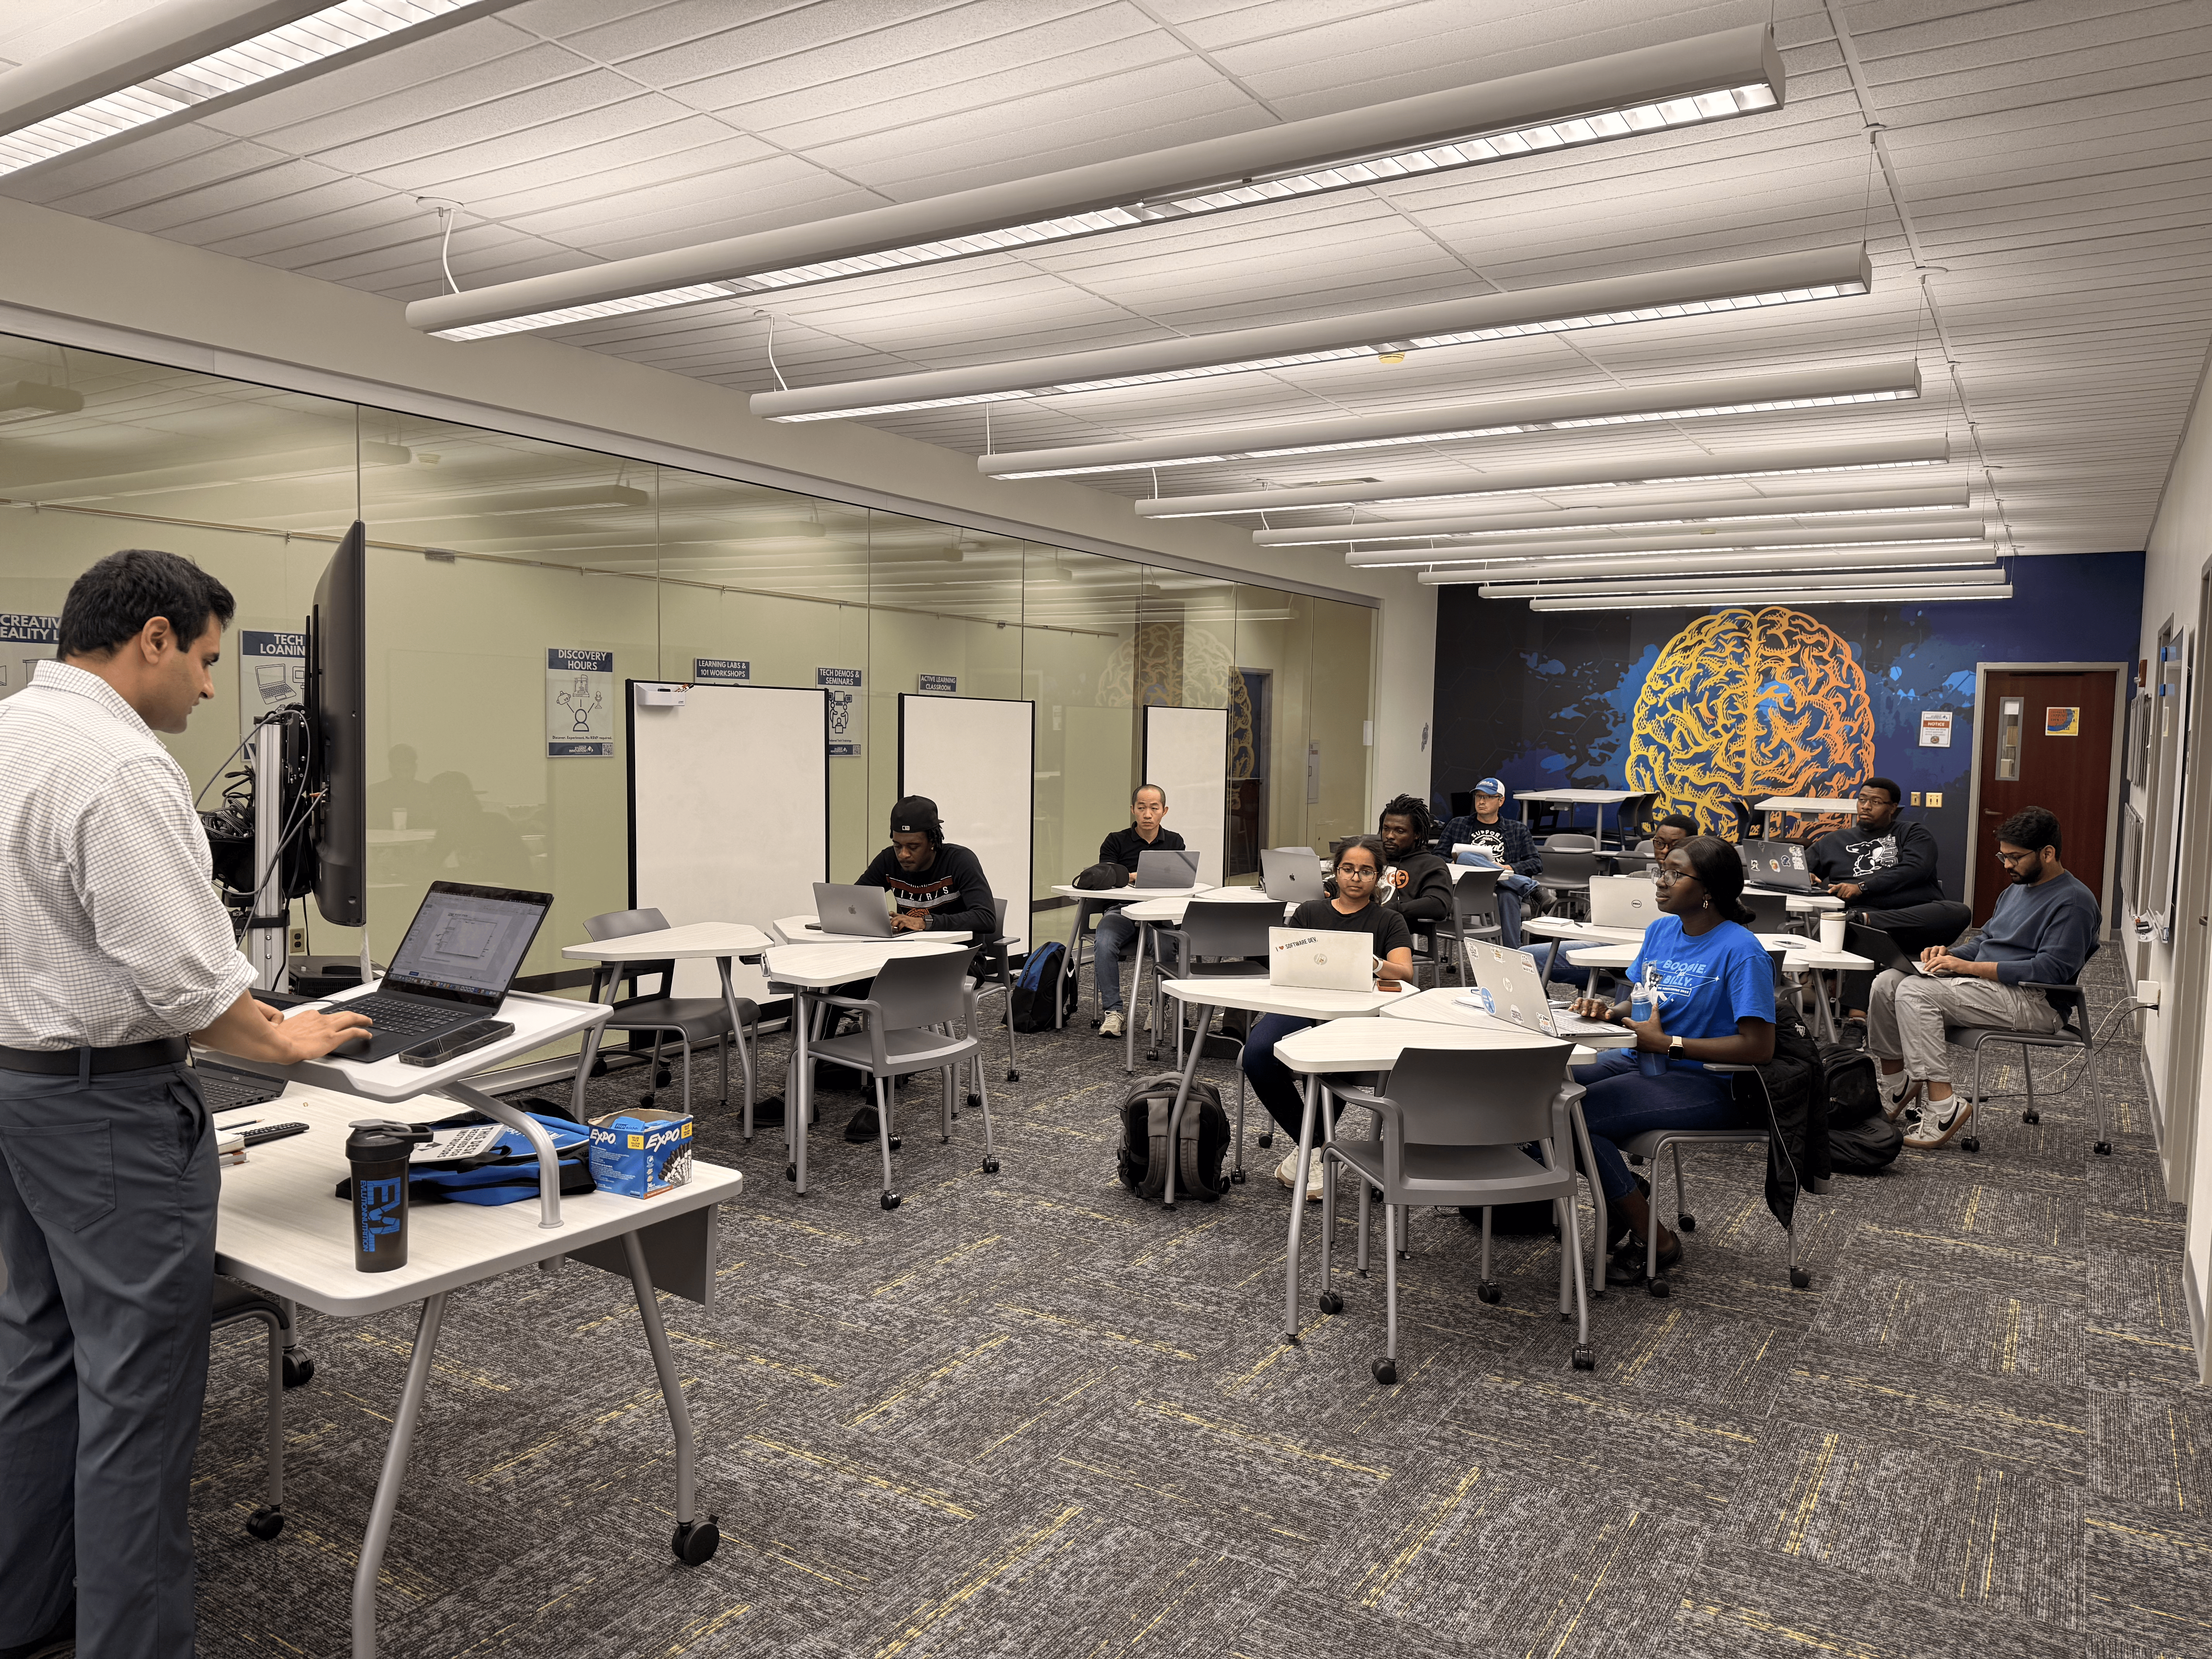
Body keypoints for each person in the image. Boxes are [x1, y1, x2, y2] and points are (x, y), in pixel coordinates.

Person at [0, 550, 371, 1659]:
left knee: (38, 1355)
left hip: (18, 1089)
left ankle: (24, 1616)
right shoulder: (118, 766)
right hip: (108, 1108)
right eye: (206, 660)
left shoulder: (11, 731)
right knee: (138, 1400)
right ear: (152, 638)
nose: (211, 688)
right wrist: (281, 1034)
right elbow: (188, 983)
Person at [1566, 836, 1777, 1285]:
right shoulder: (1662, 931)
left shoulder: (1742, 951)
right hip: (1641, 1060)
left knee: (1573, 1115)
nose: (1660, 883)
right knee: (1536, 1093)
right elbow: (1641, 1002)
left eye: (1674, 874)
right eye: (1661, 872)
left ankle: (1655, 1237)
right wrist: (1609, 1011)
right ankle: (1626, 1192)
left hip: (1711, 1082)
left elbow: (1760, 1048)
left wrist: (1670, 1045)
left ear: (1709, 891)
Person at [1870, 805, 2101, 1150]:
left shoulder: (2074, 903)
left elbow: (2051, 971)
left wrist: (1968, 968)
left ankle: (1943, 1107)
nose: (2007, 865)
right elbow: (1985, 942)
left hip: (2035, 1001)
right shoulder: (2016, 890)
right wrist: (1949, 956)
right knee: (1887, 982)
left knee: (1916, 993)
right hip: (1992, 988)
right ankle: (1896, 1086)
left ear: (2048, 853)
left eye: (2015, 857)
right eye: (2002, 856)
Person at [1240, 836, 1415, 1197]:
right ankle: (1319, 1146)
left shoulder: (1388, 920)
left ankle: (1313, 1155)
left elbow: (1406, 972)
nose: (1355, 877)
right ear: (1336, 872)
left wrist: (1376, 964)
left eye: (1366, 871)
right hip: (1302, 1006)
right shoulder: (1309, 912)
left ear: (1378, 877)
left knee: (1333, 1063)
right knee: (1256, 1054)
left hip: (1355, 1017)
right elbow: (1285, 961)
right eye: (1348, 869)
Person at [835, 796, 997, 1142]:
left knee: (892, 993)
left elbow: (986, 917)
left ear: (933, 841)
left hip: (955, 966)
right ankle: (801, 1089)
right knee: (828, 991)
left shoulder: (960, 861)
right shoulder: (888, 861)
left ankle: (881, 1104)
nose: (904, 855)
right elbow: (857, 904)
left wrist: (926, 922)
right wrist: (880, 920)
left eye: (913, 846)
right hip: (903, 962)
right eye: (898, 846)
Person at [1807, 778, 1969, 956]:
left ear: (1893, 808)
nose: (1866, 807)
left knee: (1959, 912)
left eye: (1875, 802)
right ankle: (1863, 924)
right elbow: (1801, 867)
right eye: (1862, 800)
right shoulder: (1835, 841)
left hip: (1915, 916)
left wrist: (1863, 888)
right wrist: (1806, 876)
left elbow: (1916, 869)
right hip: (1862, 912)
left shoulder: (1913, 833)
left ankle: (1866, 921)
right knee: (1858, 931)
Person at [1092, 783, 1183, 1039]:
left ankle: (1158, 1007)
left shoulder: (1175, 841)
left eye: (1154, 808)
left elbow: (1180, 880)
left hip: (1159, 912)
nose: (1147, 814)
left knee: (1167, 946)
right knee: (1104, 941)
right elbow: (1105, 877)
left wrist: (1132, 877)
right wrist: (1135, 876)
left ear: (1164, 811)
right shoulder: (1115, 840)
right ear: (1133, 810)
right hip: (1122, 910)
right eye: (1142, 808)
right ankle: (1114, 1012)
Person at [1437, 777, 1543, 946]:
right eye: (1479, 797)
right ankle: (1529, 887)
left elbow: (1536, 863)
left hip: (1504, 886)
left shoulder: (1517, 830)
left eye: (1488, 797)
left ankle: (1513, 957)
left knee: (1509, 897)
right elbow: (1437, 858)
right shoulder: (1457, 824)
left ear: (1501, 801)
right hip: (1467, 887)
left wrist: (1510, 867)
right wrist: (1458, 864)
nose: (1482, 801)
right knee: (1465, 857)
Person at [1376, 793, 1456, 938]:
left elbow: (1439, 904)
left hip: (1391, 932)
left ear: (1417, 834)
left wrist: (1391, 909)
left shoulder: (1431, 865)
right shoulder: (1371, 857)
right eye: (1386, 829)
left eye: (1400, 831)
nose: (1390, 836)